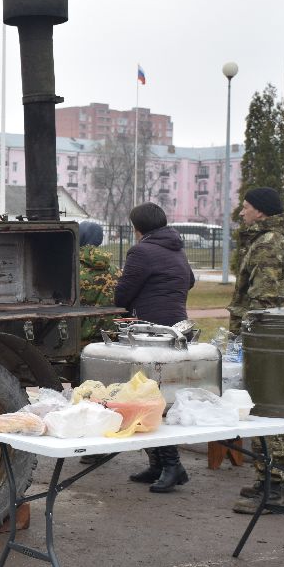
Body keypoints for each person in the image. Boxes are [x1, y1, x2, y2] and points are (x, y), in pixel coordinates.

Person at [91, 203, 195, 492]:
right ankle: (159, 464)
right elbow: (191, 280)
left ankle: (172, 465)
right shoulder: (176, 247)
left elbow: (123, 292)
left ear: (138, 228)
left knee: (148, 395)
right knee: (154, 393)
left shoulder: (142, 251)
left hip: (149, 331)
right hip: (175, 327)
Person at [228, 187, 284, 514]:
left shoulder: (269, 244)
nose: (241, 212)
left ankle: (273, 487)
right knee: (268, 408)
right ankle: (268, 481)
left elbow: (263, 299)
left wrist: (245, 337)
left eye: (246, 207)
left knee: (265, 409)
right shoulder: (270, 240)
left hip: (267, 339)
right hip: (274, 337)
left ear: (260, 211)